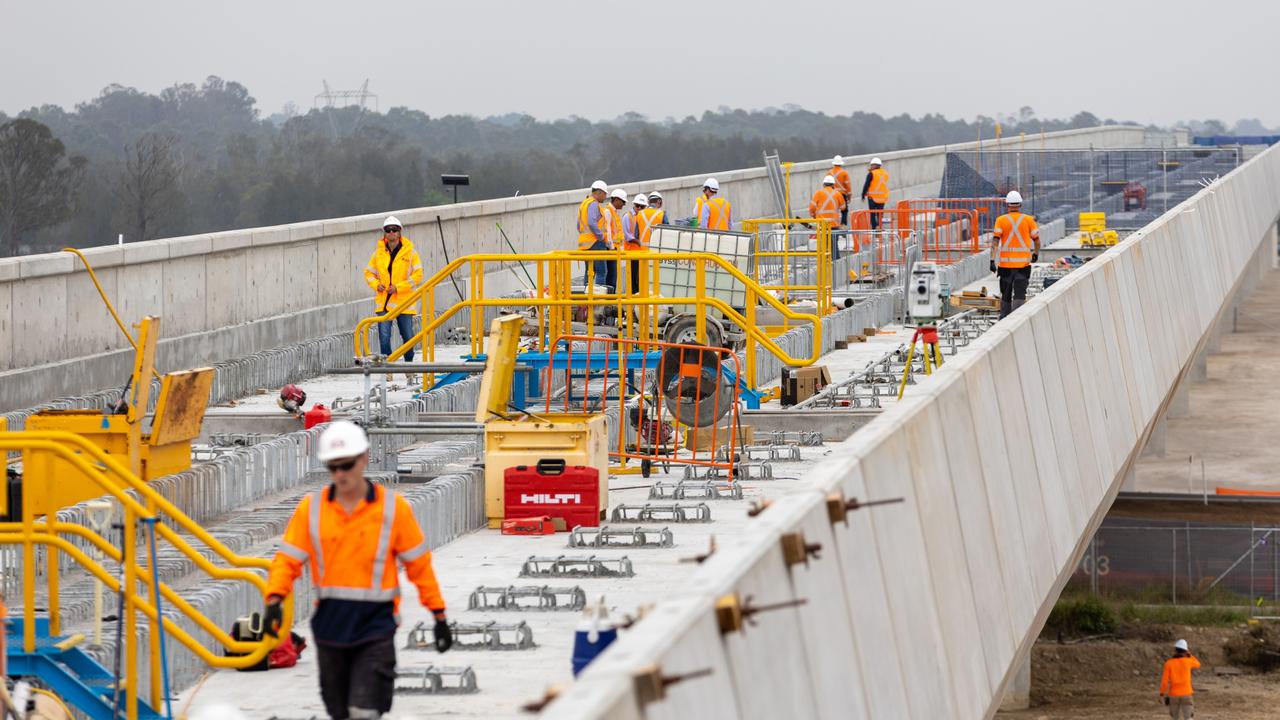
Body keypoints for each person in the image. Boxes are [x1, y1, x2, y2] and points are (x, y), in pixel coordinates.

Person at [264, 421, 453, 720]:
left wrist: (438, 614)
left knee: (364, 711)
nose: (340, 475)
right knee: (339, 712)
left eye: (346, 465)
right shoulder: (311, 510)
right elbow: (287, 560)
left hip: (375, 627)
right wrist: (274, 598)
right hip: (330, 628)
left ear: (364, 459)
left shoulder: (393, 509)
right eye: (333, 467)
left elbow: (419, 566)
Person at [362, 216, 423, 383]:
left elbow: (418, 275)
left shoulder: (410, 253)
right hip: (385, 302)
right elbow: (368, 273)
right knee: (384, 335)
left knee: (408, 336)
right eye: (388, 230)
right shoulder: (379, 253)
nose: (391, 233)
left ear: (400, 232)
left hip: (404, 301)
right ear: (384, 233)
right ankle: (387, 368)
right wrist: (377, 285)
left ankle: (408, 366)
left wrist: (399, 287)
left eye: (394, 230)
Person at [990, 190, 1040, 319]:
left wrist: (992, 260)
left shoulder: (1000, 220)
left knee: (1005, 295)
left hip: (1005, 266)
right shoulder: (1029, 220)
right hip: (1022, 266)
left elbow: (995, 241)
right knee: (1019, 295)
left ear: (1007, 205)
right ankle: (1017, 320)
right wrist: (1035, 254)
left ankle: (1004, 319)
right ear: (1020, 205)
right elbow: (1036, 240)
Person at [577, 180, 612, 290]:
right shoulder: (593, 204)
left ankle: (586, 299)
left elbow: (578, 226)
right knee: (601, 272)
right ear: (599, 192)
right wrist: (601, 237)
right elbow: (592, 223)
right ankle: (598, 299)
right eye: (605, 194)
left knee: (589, 272)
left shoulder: (584, 204)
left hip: (585, 245)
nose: (605, 197)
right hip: (595, 243)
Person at [1159, 639, 1200, 719]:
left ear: (1175, 650)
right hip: (1186, 694)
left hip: (1173, 695)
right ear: (1185, 650)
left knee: (1175, 718)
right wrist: (1189, 655)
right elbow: (1198, 664)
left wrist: (1162, 694)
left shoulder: (1168, 663)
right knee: (1188, 718)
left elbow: (1165, 681)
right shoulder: (1188, 661)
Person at [808, 175, 846, 260]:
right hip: (834, 224)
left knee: (824, 244)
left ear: (824, 185)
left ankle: (826, 262)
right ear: (833, 185)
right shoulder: (837, 194)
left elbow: (811, 208)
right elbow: (843, 207)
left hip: (822, 224)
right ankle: (836, 262)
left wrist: (813, 215)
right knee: (834, 244)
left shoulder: (818, 193)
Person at [623, 194, 650, 294]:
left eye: (642, 207)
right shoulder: (627, 216)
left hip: (642, 253)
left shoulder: (644, 217)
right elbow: (627, 236)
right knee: (633, 279)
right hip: (631, 252)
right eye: (637, 205)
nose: (639, 208)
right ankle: (633, 304)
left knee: (641, 279)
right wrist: (638, 241)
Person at [861, 157, 890, 229]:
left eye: (872, 165)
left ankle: (874, 229)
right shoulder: (885, 173)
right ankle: (879, 227)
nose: (871, 166)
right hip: (882, 197)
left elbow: (866, 185)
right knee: (880, 214)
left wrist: (863, 194)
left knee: (873, 214)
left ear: (875, 165)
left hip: (872, 198)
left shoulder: (871, 174)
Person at [830, 155, 853, 227]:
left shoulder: (829, 173)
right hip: (842, 194)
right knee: (844, 210)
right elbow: (848, 186)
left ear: (833, 163)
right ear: (841, 163)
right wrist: (849, 196)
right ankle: (843, 226)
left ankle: (834, 226)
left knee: (833, 210)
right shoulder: (844, 173)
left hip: (832, 195)